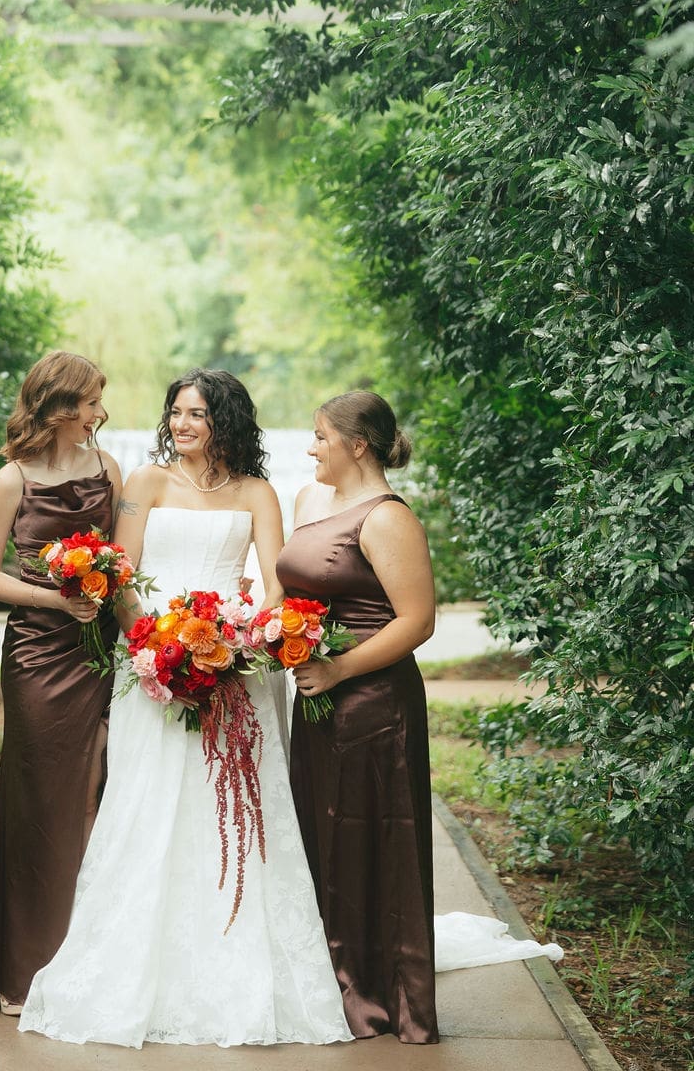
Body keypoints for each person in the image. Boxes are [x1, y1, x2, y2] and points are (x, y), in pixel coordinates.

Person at [18, 369, 352, 1048]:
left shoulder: (259, 492)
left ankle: (240, 964)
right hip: (149, 665)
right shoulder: (143, 485)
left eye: (197, 413)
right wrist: (157, 643)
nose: (183, 424)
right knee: (147, 804)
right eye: (175, 412)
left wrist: (229, 648)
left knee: (233, 811)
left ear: (226, 420)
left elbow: (273, 587)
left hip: (237, 669)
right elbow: (122, 577)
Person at [0, 350, 122, 1015]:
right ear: (57, 406)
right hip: (35, 654)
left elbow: (127, 555)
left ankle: (91, 962)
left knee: (97, 798)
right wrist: (59, 599)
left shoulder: (108, 469)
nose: (98, 413)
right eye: (88, 402)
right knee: (36, 804)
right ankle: (22, 970)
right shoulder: (12, 479)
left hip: (99, 650)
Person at [277, 389, 440, 1043]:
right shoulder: (308, 501)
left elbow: (418, 621)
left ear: (357, 445)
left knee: (374, 843)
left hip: (375, 706)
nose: (310, 447)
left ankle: (380, 997)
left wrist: (340, 669)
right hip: (317, 703)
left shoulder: (388, 518)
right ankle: (329, 983)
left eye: (320, 436)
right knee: (320, 836)